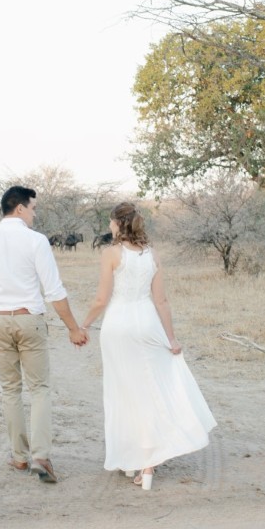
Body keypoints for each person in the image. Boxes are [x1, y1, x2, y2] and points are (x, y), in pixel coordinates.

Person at [82, 201, 216, 491]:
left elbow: (101, 300)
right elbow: (162, 301)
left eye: (110, 222)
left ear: (118, 224)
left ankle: (137, 461)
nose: (109, 226)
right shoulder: (152, 255)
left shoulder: (111, 254)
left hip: (118, 326)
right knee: (151, 389)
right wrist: (172, 338)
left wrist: (83, 325)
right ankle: (145, 464)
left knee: (124, 393)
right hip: (148, 324)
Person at [0, 185, 89, 483]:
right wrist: (73, 328)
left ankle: (19, 457)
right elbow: (54, 290)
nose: (34, 214)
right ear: (19, 208)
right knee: (40, 389)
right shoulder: (36, 241)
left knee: (10, 390)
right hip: (28, 320)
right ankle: (41, 457)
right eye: (33, 208)